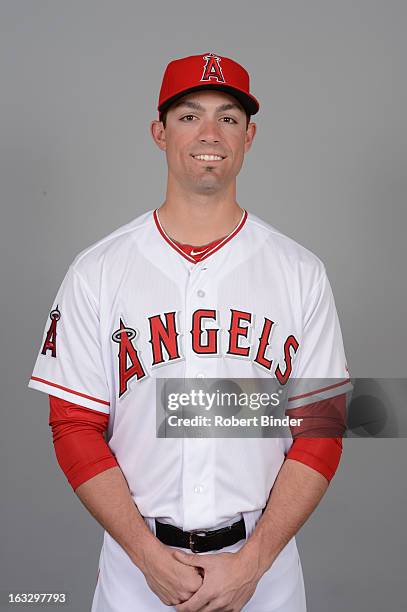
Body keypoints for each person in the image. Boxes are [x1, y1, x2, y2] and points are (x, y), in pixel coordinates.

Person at [28, 52, 352, 611]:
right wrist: (145, 555)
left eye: (228, 117)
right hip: (137, 571)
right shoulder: (97, 271)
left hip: (263, 570)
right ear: (159, 132)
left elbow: (321, 429)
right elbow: (74, 425)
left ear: (249, 137)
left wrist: (252, 565)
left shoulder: (300, 272)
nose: (210, 133)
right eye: (188, 115)